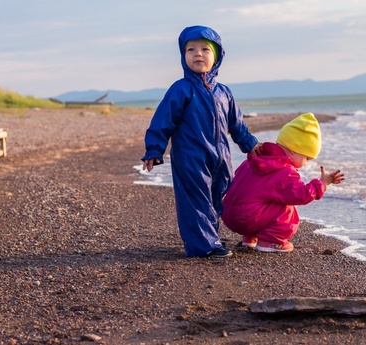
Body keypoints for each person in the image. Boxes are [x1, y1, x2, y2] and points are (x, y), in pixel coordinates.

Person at [142, 25, 261, 258]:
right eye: (191, 49)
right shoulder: (181, 89)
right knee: (196, 199)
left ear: (217, 56)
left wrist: (250, 144)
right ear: (183, 55)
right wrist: (154, 149)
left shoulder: (224, 92)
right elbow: (162, 120)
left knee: (218, 195)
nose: (198, 54)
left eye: (205, 49)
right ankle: (203, 246)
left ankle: (210, 236)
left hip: (220, 156)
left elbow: (236, 123)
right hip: (190, 156)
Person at [221, 112, 345, 253]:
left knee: (260, 200)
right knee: (287, 210)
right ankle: (270, 242)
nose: (305, 164)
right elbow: (301, 195)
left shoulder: (254, 160)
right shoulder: (284, 171)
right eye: (307, 158)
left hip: (228, 215)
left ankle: (250, 238)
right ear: (294, 150)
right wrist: (322, 184)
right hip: (246, 219)